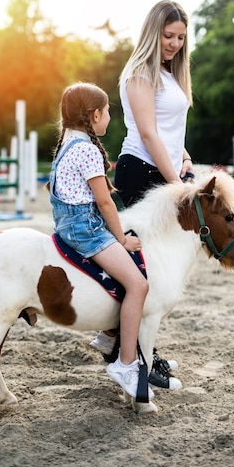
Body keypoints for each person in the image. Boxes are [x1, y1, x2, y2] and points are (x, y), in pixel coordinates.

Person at [91, 0, 194, 390]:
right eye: (168, 36)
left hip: (165, 168)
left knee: (158, 265)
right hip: (142, 170)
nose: (174, 43)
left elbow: (170, 131)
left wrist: (183, 158)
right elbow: (148, 134)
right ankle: (117, 342)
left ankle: (136, 348)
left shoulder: (171, 73)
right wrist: (178, 185)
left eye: (181, 37)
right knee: (143, 263)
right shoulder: (139, 72)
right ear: (154, 32)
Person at [48, 82, 153, 400]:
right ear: (95, 115)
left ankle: (108, 335)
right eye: (108, 112)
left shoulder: (65, 145)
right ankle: (125, 363)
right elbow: (105, 202)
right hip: (87, 230)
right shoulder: (87, 150)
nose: (109, 118)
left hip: (65, 226)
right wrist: (121, 239)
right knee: (139, 285)